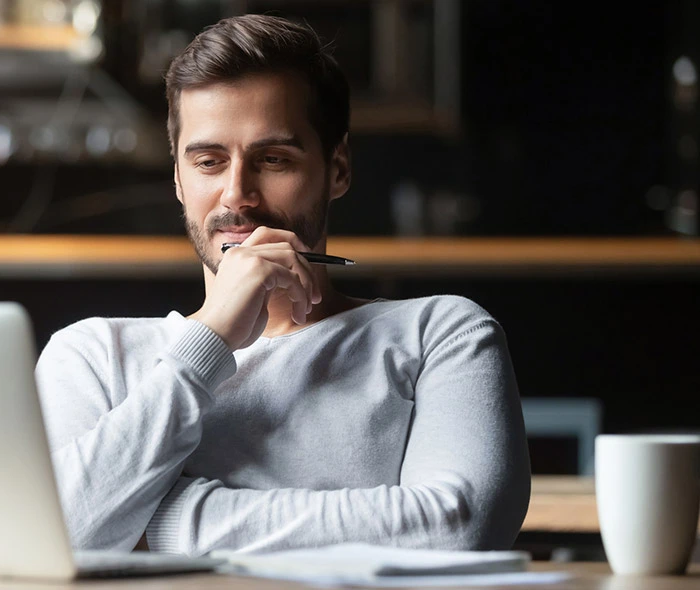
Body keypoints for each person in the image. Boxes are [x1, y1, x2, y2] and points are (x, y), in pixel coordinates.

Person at [35, 14, 530, 556]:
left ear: (337, 168)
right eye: (208, 161)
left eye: (273, 160)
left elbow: (458, 528)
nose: (236, 195)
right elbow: (51, 538)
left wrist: (158, 521)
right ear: (177, 178)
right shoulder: (91, 355)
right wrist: (210, 339)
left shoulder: (442, 333)